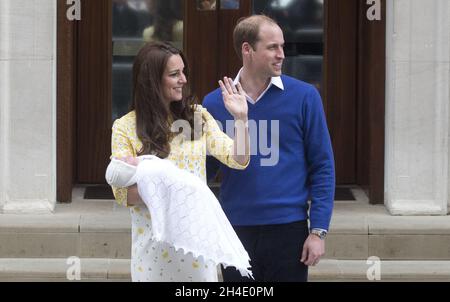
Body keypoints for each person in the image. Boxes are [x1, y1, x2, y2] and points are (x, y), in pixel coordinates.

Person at [203, 15, 335, 282]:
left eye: (282, 47)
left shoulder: (304, 96)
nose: (281, 55)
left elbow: (322, 166)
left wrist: (318, 231)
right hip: (235, 229)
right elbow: (202, 170)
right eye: (273, 47)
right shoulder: (215, 102)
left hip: (288, 229)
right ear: (247, 49)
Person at [109, 41, 250, 282]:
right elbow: (124, 194)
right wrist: (183, 190)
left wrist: (241, 119)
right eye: (174, 74)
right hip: (153, 249)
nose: (183, 79)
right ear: (152, 80)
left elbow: (237, 159)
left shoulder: (198, 116)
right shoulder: (124, 127)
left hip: (197, 246)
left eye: (183, 72)